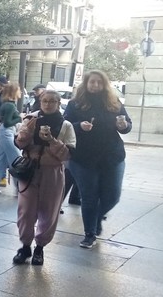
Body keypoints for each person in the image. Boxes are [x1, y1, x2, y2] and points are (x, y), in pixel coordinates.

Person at [63, 70, 132, 249]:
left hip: (112, 156)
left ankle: (96, 217)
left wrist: (123, 125)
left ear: (105, 85)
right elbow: (65, 126)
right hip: (83, 158)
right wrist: (79, 126)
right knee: (89, 197)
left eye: (99, 82)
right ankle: (90, 233)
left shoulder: (114, 103)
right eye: (92, 82)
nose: (95, 85)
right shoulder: (75, 104)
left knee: (113, 196)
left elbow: (127, 125)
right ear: (85, 84)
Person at [11, 91, 76, 265]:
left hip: (53, 172)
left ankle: (40, 248)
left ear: (58, 103)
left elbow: (68, 154)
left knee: (49, 211)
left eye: (52, 101)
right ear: (40, 102)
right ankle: (25, 246)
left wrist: (52, 141)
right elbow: (18, 143)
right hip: (30, 171)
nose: (48, 104)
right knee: (26, 211)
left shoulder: (66, 125)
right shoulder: (30, 119)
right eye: (45, 101)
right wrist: (25, 134)